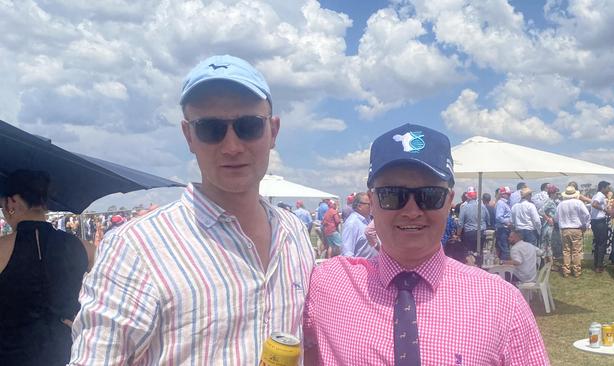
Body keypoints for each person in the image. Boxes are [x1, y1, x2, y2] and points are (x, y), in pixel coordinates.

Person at [69, 55, 315, 365]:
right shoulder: (136, 248)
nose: (232, 146)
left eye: (248, 126)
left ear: (273, 132)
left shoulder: (293, 232)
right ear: (189, 136)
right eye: (211, 129)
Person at [303, 123, 549, 365]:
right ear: (373, 201)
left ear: (449, 201)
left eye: (430, 195)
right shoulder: (326, 284)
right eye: (392, 195)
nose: (412, 210)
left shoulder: (501, 301)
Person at [0, 169, 88, 365]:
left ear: (12, 202)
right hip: (66, 351)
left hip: (11, 355)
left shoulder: (3, 247)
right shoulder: (83, 247)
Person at [556, 186, 590, 278]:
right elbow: (587, 215)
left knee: (566, 251)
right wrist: (585, 225)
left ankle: (566, 271)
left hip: (565, 229)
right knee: (576, 251)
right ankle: (576, 271)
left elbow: (557, 218)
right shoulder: (578, 203)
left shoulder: (560, 204)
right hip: (576, 228)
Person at [457, 186, 489, 261]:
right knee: (479, 253)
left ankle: (471, 269)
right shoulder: (482, 206)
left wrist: (458, 234)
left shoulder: (464, 207)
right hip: (481, 232)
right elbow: (488, 218)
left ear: (468, 197)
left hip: (469, 233)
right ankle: (480, 268)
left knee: (470, 254)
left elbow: (460, 223)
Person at [341, 192, 376, 258]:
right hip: (361, 266)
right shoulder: (352, 224)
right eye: (369, 204)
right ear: (359, 206)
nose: (372, 206)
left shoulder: (368, 219)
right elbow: (347, 253)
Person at [589, 180, 610, 273]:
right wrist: (604, 209)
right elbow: (594, 204)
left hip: (595, 222)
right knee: (602, 244)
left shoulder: (596, 195)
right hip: (600, 222)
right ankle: (599, 265)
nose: (608, 189)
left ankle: (597, 263)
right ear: (603, 188)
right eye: (607, 187)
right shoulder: (600, 195)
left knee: (598, 243)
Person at [495, 186, 513, 260]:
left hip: (504, 229)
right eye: (508, 194)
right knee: (505, 250)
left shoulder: (504, 203)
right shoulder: (501, 203)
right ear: (503, 194)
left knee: (504, 249)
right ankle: (503, 267)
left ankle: (503, 266)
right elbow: (498, 217)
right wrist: (507, 222)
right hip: (502, 229)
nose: (509, 195)